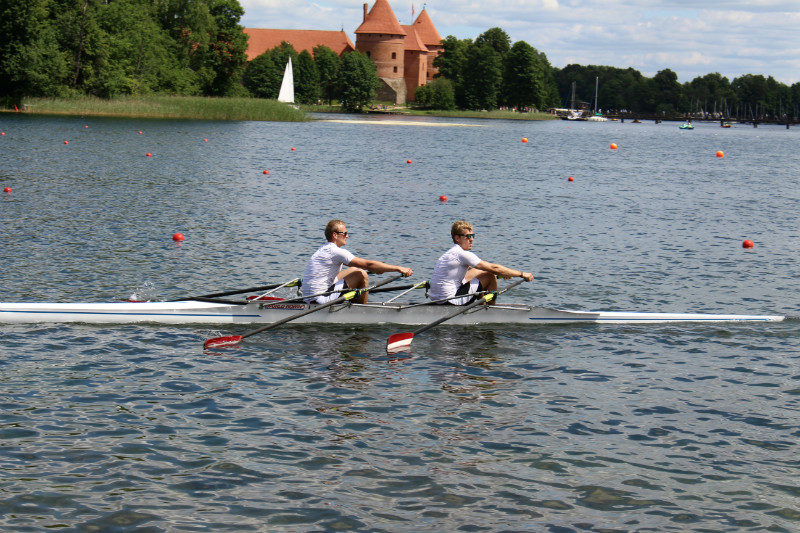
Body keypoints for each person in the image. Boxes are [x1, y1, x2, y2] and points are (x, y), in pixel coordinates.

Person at [302, 219, 413, 304]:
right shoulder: (336, 252)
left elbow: (364, 265)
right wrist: (398, 268)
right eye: (344, 233)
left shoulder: (325, 249)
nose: (347, 236)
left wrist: (377, 268)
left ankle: (353, 303)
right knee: (361, 274)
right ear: (335, 235)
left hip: (310, 296)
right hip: (319, 300)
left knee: (354, 269)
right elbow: (369, 264)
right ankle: (361, 311)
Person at [429, 220, 533, 305]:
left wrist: (504, 274)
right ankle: (490, 311)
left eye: (472, 236)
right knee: (489, 275)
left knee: (480, 273)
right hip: (450, 301)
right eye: (467, 236)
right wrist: (521, 274)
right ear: (457, 238)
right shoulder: (462, 254)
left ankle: (482, 306)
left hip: (436, 299)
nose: (471, 239)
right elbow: (494, 268)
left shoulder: (451, 253)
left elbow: (476, 271)